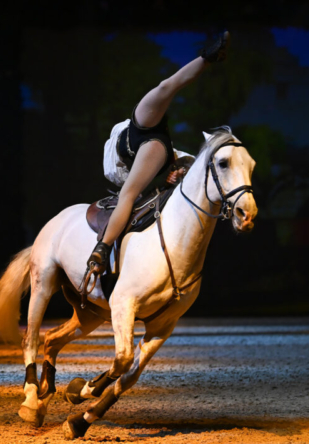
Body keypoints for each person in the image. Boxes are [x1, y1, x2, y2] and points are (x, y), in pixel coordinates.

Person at [87, 31, 231, 276]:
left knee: (166, 86)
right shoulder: (131, 160)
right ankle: (103, 246)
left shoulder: (148, 153)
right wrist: (170, 173)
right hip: (147, 142)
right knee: (129, 194)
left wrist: (170, 174)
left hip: (145, 137)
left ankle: (102, 247)